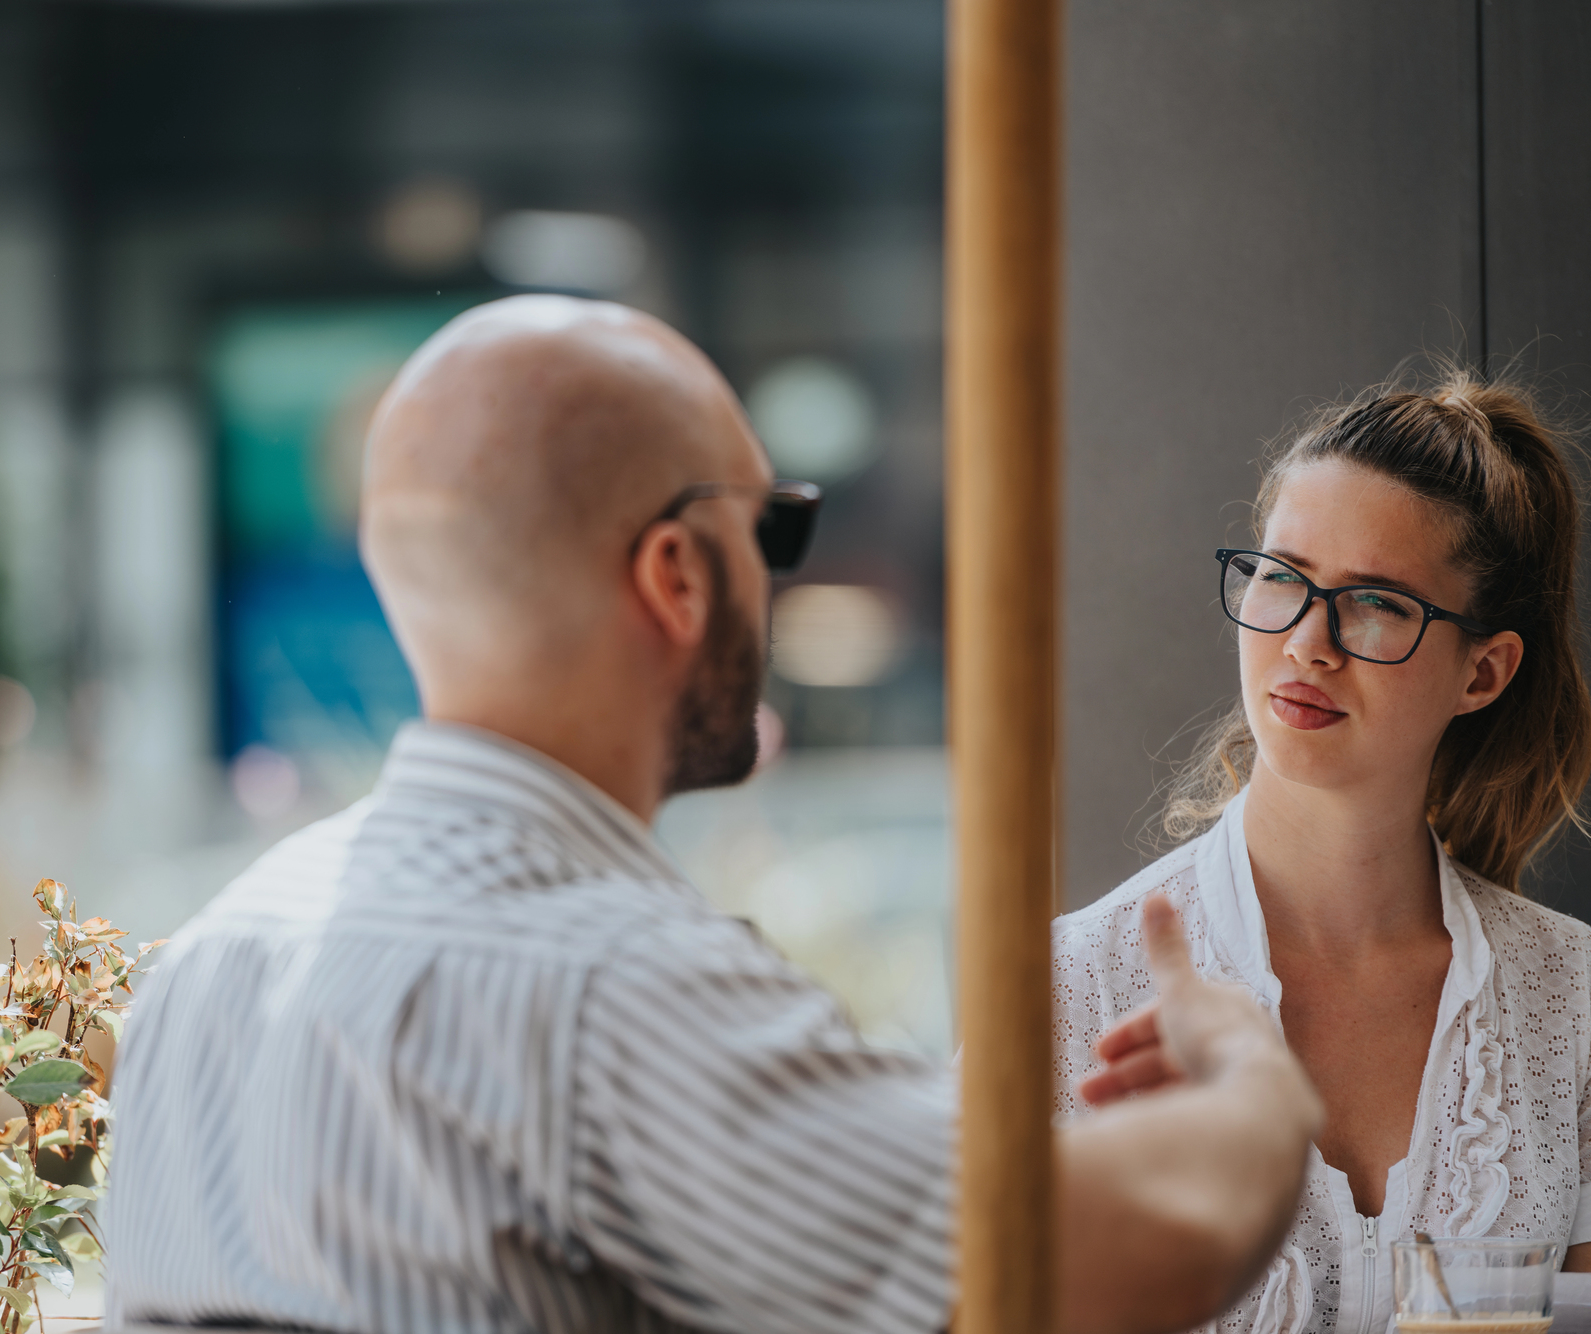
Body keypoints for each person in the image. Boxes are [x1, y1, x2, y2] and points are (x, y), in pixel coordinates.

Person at [103, 295, 1322, 1334]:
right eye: (773, 525)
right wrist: (1253, 1081)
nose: (781, 578)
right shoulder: (606, 981)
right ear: (675, 573)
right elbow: (1098, 1251)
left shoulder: (208, 960)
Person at [1053, 372, 1591, 1334]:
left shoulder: (1588, 1005)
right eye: (1282, 575)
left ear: (1482, 673)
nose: (1307, 643)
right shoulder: (1074, 987)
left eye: (1377, 604)